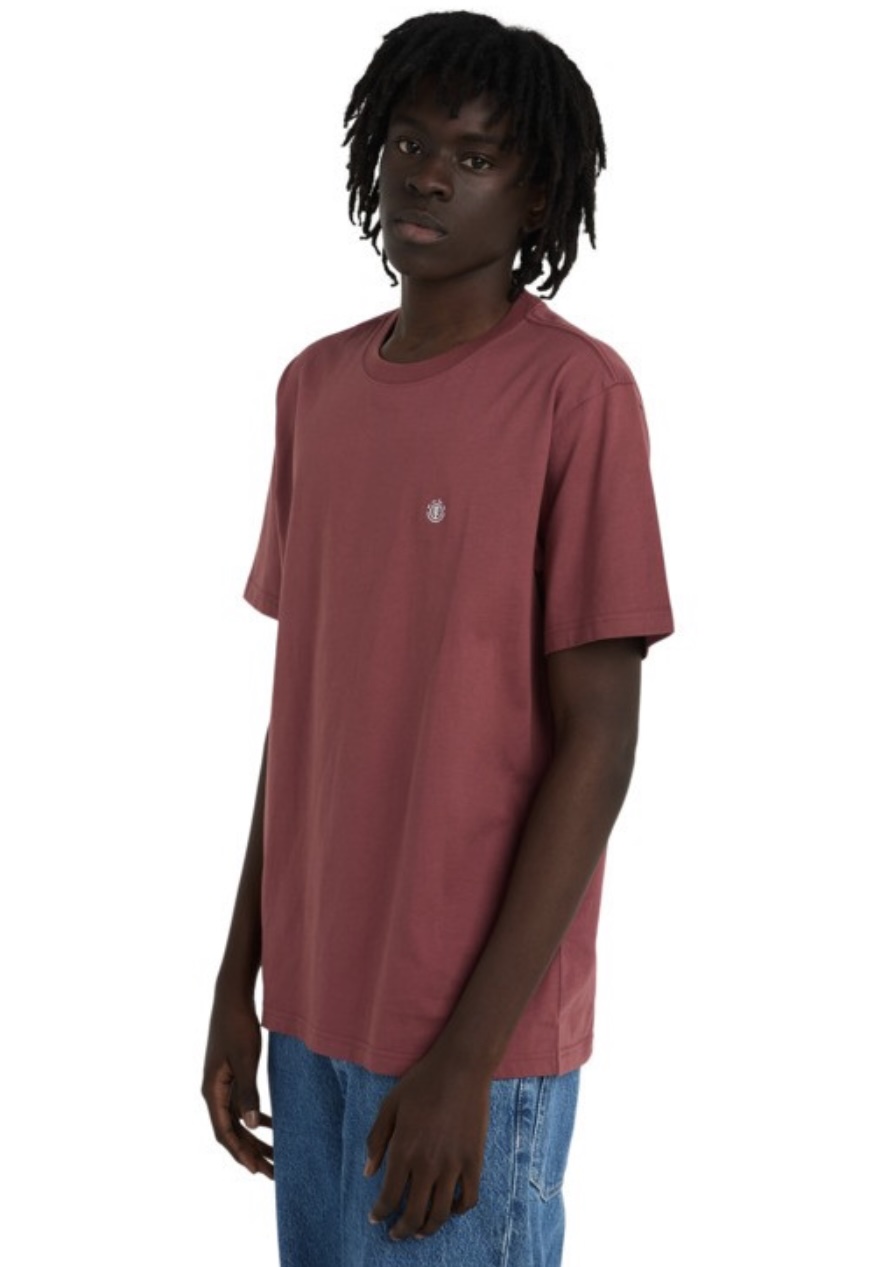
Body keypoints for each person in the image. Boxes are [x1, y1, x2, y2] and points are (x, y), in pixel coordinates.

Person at [202, 11, 674, 1266]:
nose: (427, 175)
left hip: (466, 1039)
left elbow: (600, 742)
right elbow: (302, 714)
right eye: (410, 143)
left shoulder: (576, 395)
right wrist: (238, 979)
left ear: (538, 197)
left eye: (474, 157)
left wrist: (470, 1054)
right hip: (309, 1015)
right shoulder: (313, 388)